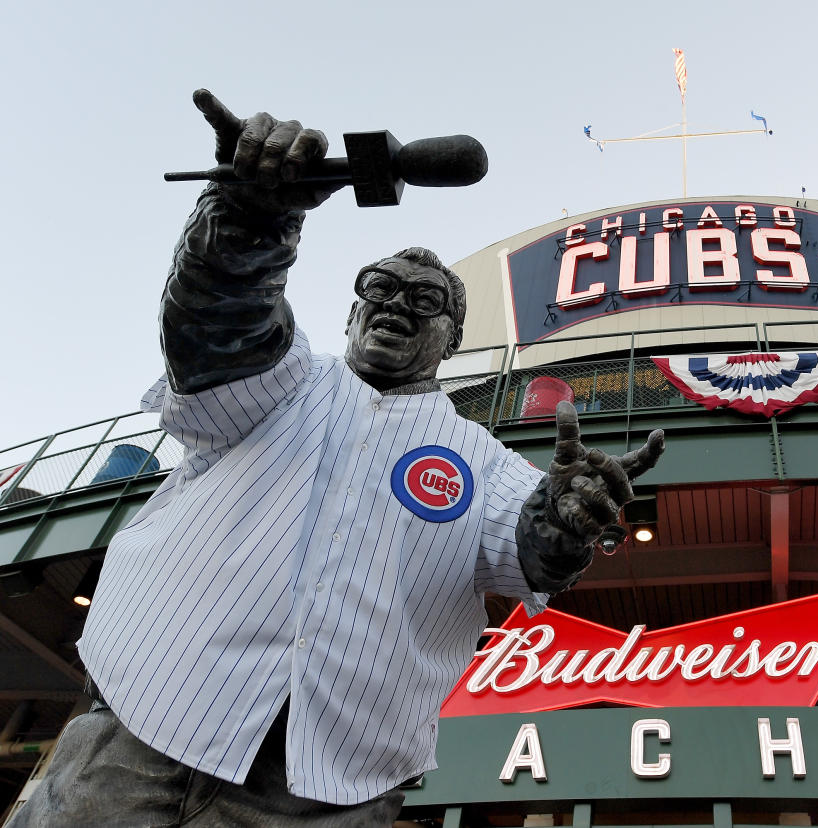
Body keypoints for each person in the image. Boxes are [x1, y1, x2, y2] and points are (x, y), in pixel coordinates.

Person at [13, 91, 663, 827]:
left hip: (325, 792)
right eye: (378, 289)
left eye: (426, 300)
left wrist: (563, 518)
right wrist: (249, 220)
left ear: (451, 341)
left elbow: (533, 547)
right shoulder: (283, 381)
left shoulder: (486, 463)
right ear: (351, 313)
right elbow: (219, 320)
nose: (397, 304)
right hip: (140, 734)